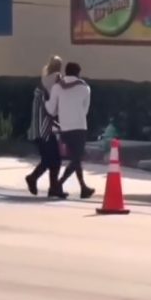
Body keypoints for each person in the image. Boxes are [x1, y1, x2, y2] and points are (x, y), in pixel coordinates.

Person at [45, 61, 95, 199]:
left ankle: (83, 188)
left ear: (66, 72)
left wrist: (45, 103)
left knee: (75, 159)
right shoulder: (85, 88)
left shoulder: (57, 87)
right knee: (77, 158)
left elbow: (51, 109)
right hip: (79, 126)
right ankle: (57, 185)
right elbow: (85, 109)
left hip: (65, 127)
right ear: (78, 73)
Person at [25, 56, 67, 199]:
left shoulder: (43, 80)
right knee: (52, 160)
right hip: (45, 129)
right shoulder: (57, 79)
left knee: (52, 159)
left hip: (39, 128)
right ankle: (34, 179)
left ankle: (53, 188)